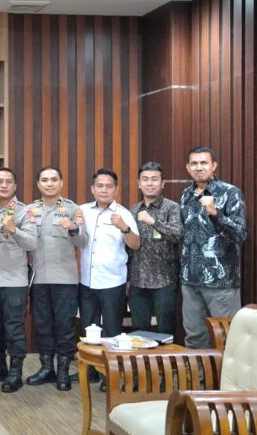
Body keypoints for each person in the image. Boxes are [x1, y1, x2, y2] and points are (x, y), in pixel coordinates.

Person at [26, 166, 87, 391]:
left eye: (54, 179)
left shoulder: (73, 209)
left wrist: (73, 229)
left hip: (65, 280)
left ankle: (62, 371)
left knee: (64, 326)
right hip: (39, 278)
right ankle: (46, 369)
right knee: (42, 325)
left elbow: (83, 242)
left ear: (61, 183)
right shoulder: (30, 210)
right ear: (38, 184)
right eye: (45, 180)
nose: (49, 184)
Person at [180, 146, 246, 349]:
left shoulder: (230, 192)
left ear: (213, 166)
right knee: (194, 337)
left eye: (204, 163)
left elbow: (240, 234)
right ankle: (198, 371)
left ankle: (225, 372)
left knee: (227, 339)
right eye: (194, 163)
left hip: (221, 282)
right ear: (188, 168)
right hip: (190, 280)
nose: (199, 167)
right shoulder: (186, 195)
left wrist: (216, 214)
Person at [79, 168, 140, 391]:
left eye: (108, 186)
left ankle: (110, 375)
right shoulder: (83, 210)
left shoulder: (123, 213)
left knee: (112, 329)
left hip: (113, 281)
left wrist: (124, 228)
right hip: (87, 280)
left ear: (115, 189)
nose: (104, 190)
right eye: (100, 186)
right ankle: (91, 371)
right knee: (88, 327)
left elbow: (135, 244)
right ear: (92, 189)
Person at [0, 167, 37, 394]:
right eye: (0, 181)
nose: (4, 185)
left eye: (8, 181)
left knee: (14, 329)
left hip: (14, 280)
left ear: (15, 186)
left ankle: (16, 373)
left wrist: (14, 230)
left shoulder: (24, 212)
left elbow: (33, 244)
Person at [128, 162, 183, 335]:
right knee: (139, 331)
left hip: (164, 280)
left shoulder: (172, 207)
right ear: (139, 183)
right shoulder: (133, 210)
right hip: (138, 280)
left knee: (165, 330)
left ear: (162, 183)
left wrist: (153, 222)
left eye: (154, 179)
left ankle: (167, 355)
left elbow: (178, 235)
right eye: (145, 179)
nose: (149, 183)